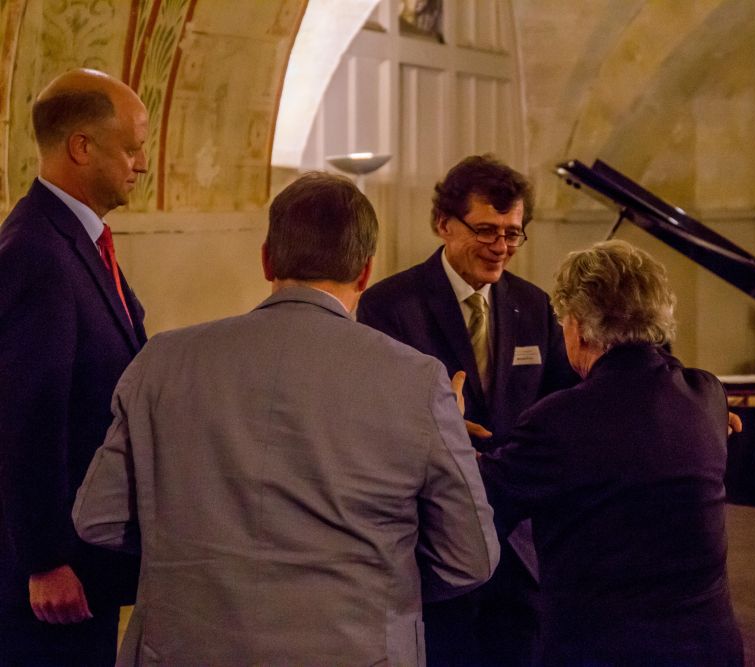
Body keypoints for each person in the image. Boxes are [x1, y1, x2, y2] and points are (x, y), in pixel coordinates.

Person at [72, 172, 500, 665]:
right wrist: (379, 578)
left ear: (267, 260)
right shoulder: (418, 383)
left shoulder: (163, 362)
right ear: (365, 272)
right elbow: (469, 557)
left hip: (183, 648)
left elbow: (98, 519)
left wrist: (190, 557)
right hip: (353, 649)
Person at [479, 240, 745, 666]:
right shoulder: (707, 394)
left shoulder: (558, 419)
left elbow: (482, 501)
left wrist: (447, 427)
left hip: (602, 649)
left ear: (580, 325)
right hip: (708, 647)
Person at [357, 154, 576, 666]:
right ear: (443, 224)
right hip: (433, 538)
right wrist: (441, 428)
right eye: (485, 230)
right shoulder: (391, 304)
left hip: (518, 539)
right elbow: (371, 415)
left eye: (513, 233)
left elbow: (565, 399)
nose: (501, 246)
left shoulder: (534, 305)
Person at [0, 68, 148, 666]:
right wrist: (45, 560)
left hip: (88, 556)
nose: (142, 164)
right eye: (132, 149)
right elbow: (24, 419)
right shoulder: (35, 253)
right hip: (53, 578)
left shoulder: (74, 241)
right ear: (81, 147)